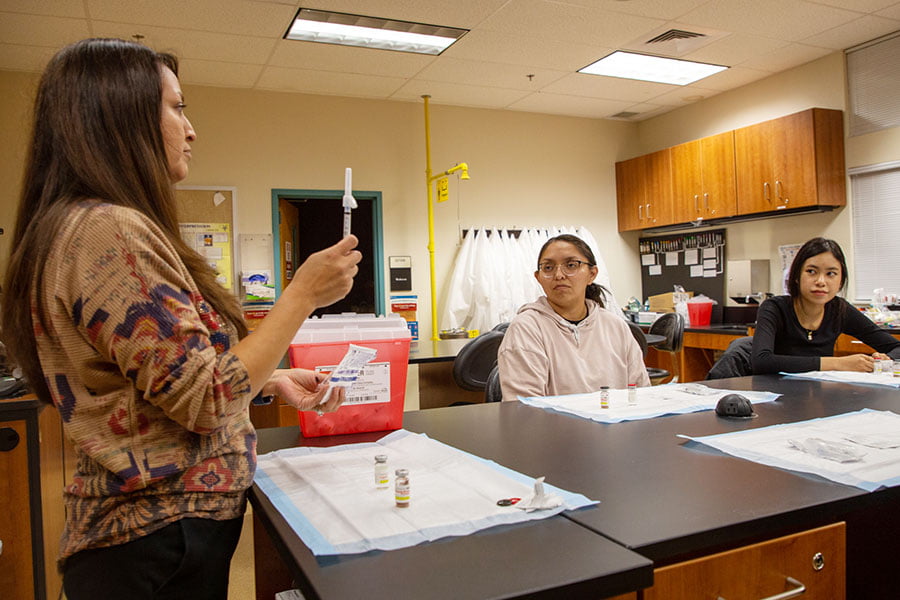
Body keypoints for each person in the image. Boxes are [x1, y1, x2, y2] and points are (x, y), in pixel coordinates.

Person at [0, 38, 361, 599]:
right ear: (119, 117)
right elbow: (206, 398)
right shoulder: (109, 230)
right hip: (155, 543)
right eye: (177, 107)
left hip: (155, 539)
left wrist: (269, 379)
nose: (190, 129)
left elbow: (159, 378)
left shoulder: (80, 225)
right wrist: (300, 297)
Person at [497, 234, 650, 400]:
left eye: (571, 265)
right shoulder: (527, 328)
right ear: (538, 278)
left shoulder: (616, 327)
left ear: (592, 274)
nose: (559, 275)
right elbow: (524, 409)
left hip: (618, 424)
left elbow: (641, 394)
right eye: (548, 268)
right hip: (553, 426)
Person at [751, 237, 900, 374]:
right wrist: (838, 363)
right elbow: (761, 361)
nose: (821, 281)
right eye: (811, 271)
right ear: (796, 276)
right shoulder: (774, 308)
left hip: (821, 395)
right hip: (776, 395)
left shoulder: (839, 310)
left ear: (841, 281)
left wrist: (885, 359)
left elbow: (897, 347)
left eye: (831, 274)